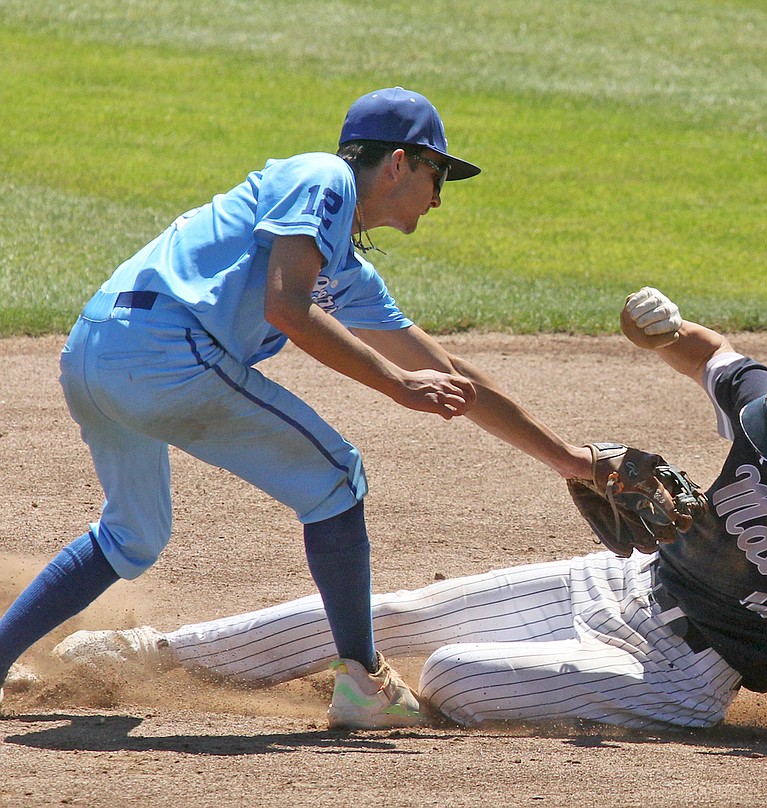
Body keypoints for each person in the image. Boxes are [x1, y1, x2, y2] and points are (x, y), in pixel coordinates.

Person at [38, 288, 767, 764]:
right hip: (616, 590)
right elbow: (717, 360)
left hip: (681, 678)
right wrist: (661, 327)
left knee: (463, 674)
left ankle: (398, 695)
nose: (756, 430)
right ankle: (143, 658)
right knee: (391, 612)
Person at [0, 87, 593, 729]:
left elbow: (446, 372)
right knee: (336, 479)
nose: (441, 195)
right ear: (397, 162)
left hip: (94, 352)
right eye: (437, 172)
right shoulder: (324, 176)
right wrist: (396, 384)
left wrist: (568, 461)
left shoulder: (340, 265)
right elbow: (287, 308)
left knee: (133, 533)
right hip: (161, 351)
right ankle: (365, 682)